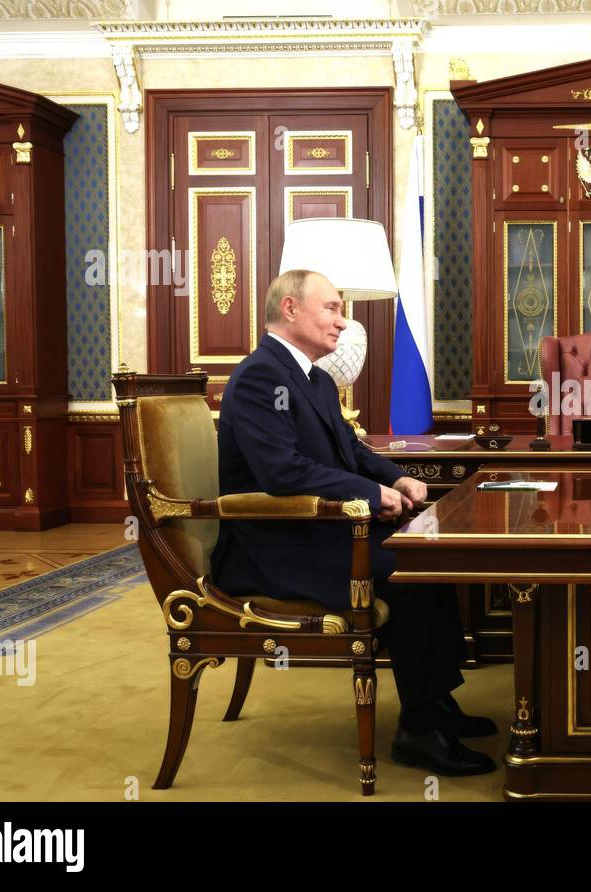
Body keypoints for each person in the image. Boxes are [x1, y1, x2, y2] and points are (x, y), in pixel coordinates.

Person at [210, 268, 497, 777]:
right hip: (275, 546)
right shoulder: (260, 376)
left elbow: (352, 451)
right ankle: (418, 730)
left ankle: (435, 703)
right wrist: (370, 494)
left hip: (319, 530)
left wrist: (395, 477)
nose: (342, 322)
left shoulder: (315, 379)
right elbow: (283, 472)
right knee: (410, 570)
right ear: (291, 309)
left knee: (429, 555)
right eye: (332, 309)